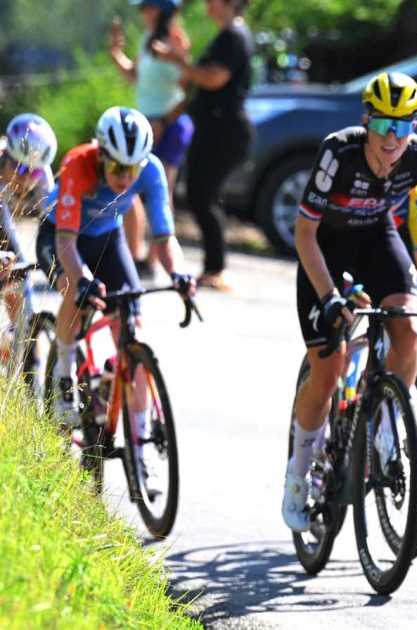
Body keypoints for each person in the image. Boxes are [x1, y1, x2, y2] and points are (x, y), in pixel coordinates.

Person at [283, 72, 417, 533]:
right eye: (383, 124)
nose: (391, 137)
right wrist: (327, 297)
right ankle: (298, 475)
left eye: (403, 126)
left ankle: (383, 424)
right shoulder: (338, 151)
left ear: (415, 127)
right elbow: (304, 233)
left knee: (408, 325)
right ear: (366, 119)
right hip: (325, 246)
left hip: (378, 238)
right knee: (328, 367)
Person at [37, 107, 195, 486]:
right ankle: (63, 373)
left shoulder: (151, 170)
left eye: (133, 169)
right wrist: (82, 279)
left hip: (108, 238)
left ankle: (140, 447)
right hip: (62, 238)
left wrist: (180, 273)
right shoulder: (79, 165)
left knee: (132, 328)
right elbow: (65, 242)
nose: (126, 179)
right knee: (76, 293)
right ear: (102, 156)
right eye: (118, 169)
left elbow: (163, 237)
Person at [152, 0, 253, 290]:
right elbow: (198, 83)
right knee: (201, 195)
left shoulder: (233, 36)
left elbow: (214, 78)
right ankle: (213, 266)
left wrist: (177, 60)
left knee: (202, 196)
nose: (208, 5)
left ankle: (215, 268)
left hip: (226, 131)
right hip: (213, 129)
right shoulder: (226, 36)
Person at [108, 0, 194, 278]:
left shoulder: (175, 41)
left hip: (169, 126)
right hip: (145, 124)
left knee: (160, 191)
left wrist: (164, 122)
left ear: (160, 10)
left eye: (147, 7)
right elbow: (136, 76)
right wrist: (116, 54)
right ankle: (134, 255)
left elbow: (188, 89)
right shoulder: (148, 39)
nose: (143, 12)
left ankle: (155, 262)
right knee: (128, 189)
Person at [0, 113, 57, 361]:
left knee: (19, 271)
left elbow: (56, 226)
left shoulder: (44, 180)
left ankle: (21, 341)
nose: (26, 177)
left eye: (33, 172)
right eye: (21, 168)